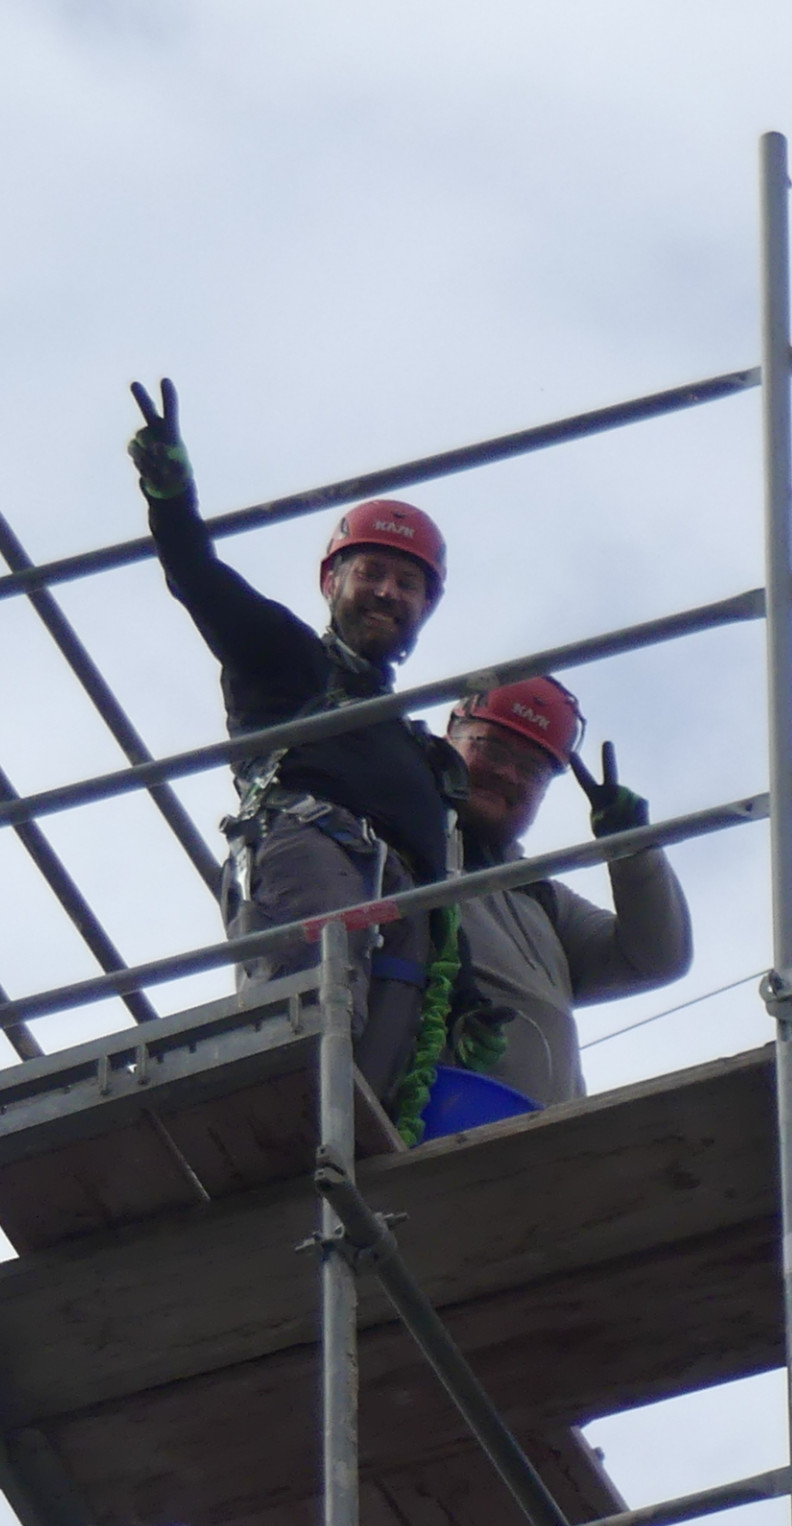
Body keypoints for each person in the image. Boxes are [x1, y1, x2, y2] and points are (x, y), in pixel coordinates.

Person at [124, 379, 456, 1098]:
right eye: (370, 573)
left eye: (408, 584)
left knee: (377, 1084)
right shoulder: (282, 655)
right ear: (331, 581)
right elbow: (199, 580)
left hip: (405, 908)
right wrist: (170, 499)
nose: (388, 594)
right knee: (319, 1030)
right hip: (317, 850)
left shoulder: (411, 740)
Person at [418, 674, 693, 1115]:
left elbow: (657, 958)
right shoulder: (392, 849)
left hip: (546, 1147)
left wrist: (633, 850)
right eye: (491, 748)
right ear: (449, 740)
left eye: (530, 769)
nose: (507, 773)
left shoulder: (539, 897)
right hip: (427, 1135)